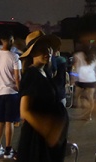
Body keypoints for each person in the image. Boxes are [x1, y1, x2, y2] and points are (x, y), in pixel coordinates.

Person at [17, 31, 68, 162]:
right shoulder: (31, 74)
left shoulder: (45, 73)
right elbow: (24, 111)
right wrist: (48, 131)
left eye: (48, 48)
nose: (47, 52)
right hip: (36, 140)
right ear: (32, 53)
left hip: (45, 141)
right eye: (42, 49)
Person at [0, 32, 21, 159]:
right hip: (12, 92)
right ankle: (8, 149)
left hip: (0, 92)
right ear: (9, 40)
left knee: (1, 121)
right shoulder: (14, 57)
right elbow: (17, 78)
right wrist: (21, 91)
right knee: (10, 122)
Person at [72, 44, 96, 120]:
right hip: (91, 79)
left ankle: (81, 109)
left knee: (77, 96)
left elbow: (75, 68)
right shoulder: (93, 57)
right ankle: (88, 115)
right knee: (91, 99)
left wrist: (73, 78)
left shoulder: (77, 55)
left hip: (80, 79)